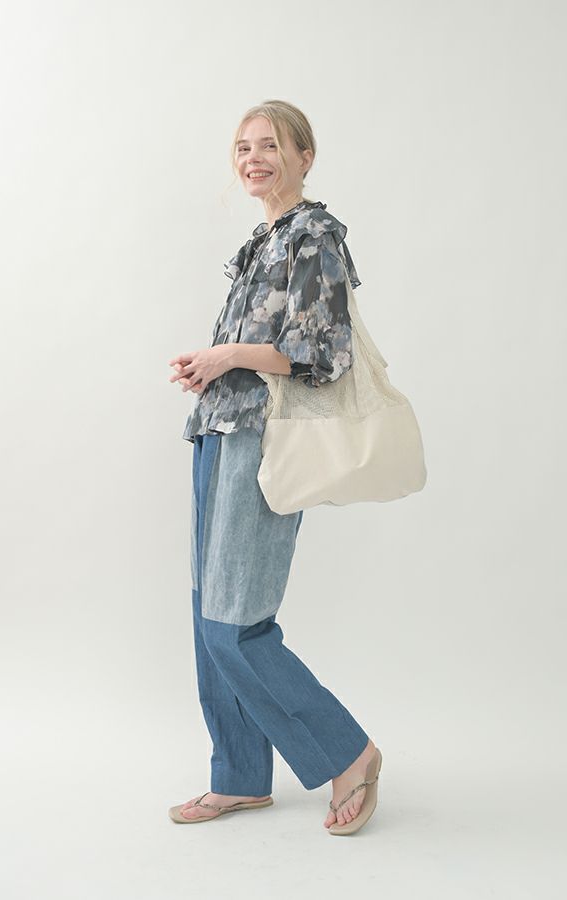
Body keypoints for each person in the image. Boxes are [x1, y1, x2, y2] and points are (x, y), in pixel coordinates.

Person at [167, 100, 382, 835]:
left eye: (269, 146)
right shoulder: (262, 240)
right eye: (242, 147)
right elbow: (262, 352)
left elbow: (322, 354)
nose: (253, 159)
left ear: (304, 156)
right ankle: (239, 776)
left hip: (263, 441)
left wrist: (227, 355)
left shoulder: (314, 236)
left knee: (236, 622)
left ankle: (348, 753)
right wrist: (211, 368)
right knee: (209, 617)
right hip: (218, 432)